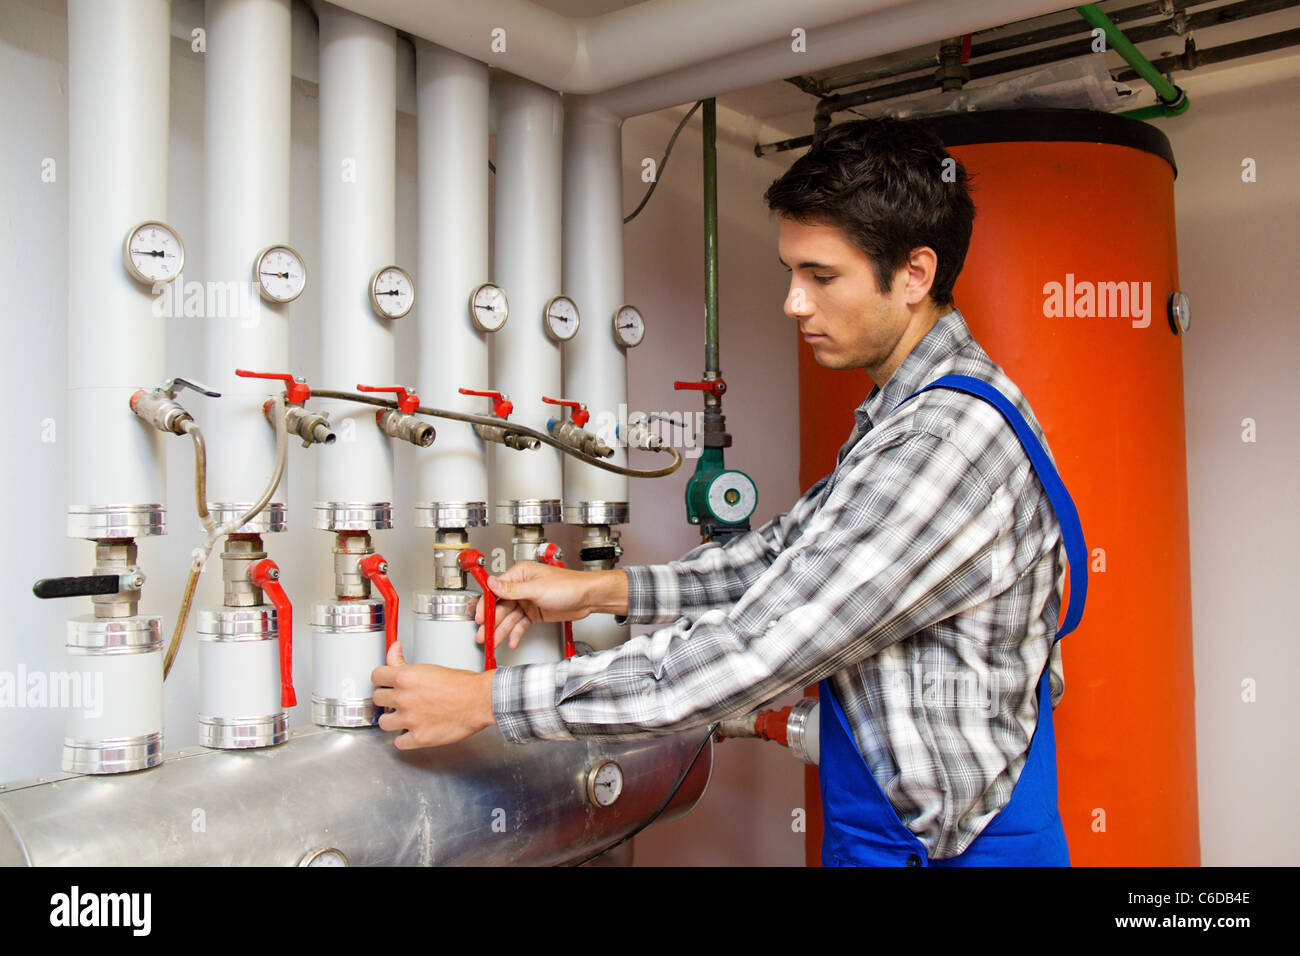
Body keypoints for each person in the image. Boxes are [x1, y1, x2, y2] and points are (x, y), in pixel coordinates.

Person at [371, 116, 1085, 866]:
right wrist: (598, 590)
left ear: (914, 274)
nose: (794, 303)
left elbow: (757, 650)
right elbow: (782, 558)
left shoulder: (941, 444)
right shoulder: (912, 410)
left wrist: (489, 702)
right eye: (791, 272)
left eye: (821, 275)